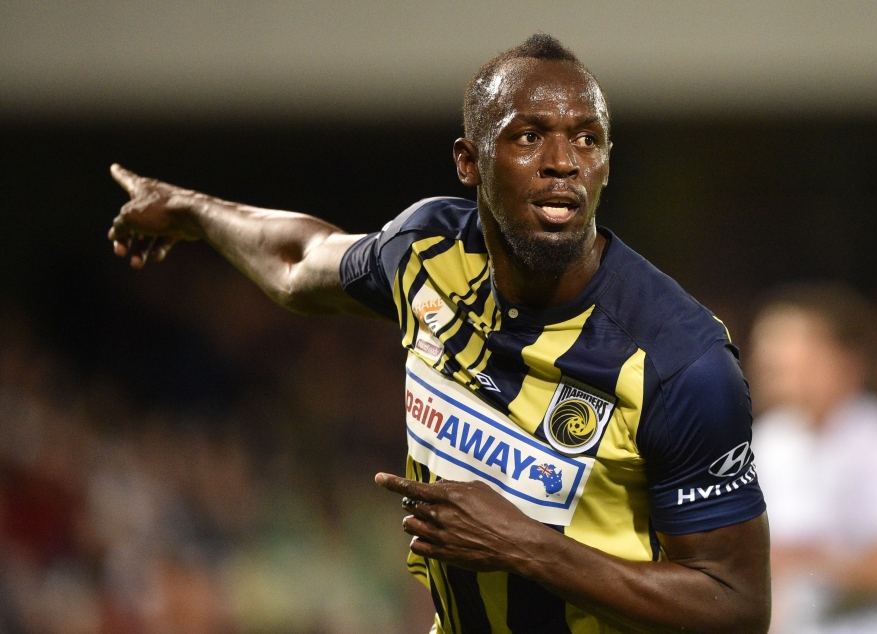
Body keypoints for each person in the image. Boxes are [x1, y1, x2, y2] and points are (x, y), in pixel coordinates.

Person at [107, 34, 770, 633]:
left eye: (587, 138)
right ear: (469, 161)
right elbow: (297, 260)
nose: (563, 160)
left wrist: (527, 547)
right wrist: (194, 213)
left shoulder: (682, 363)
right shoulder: (427, 251)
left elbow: (737, 604)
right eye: (529, 135)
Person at [747, 284, 877, 634]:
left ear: (842, 360)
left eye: (793, 348)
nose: (775, 360)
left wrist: (814, 564)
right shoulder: (768, 440)